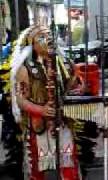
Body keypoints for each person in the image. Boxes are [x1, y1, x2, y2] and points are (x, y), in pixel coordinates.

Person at [11, 26, 81, 180]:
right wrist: (40, 109)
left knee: (68, 163)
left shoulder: (65, 65)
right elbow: (20, 100)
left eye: (49, 36)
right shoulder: (25, 70)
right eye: (41, 38)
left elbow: (76, 87)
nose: (48, 40)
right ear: (32, 45)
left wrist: (77, 87)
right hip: (38, 125)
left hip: (62, 121)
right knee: (37, 166)